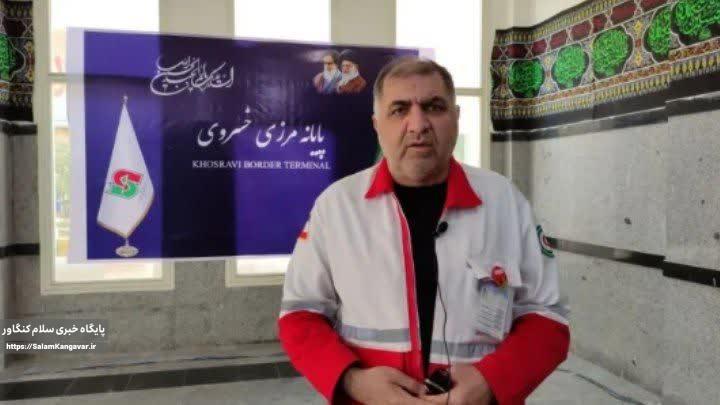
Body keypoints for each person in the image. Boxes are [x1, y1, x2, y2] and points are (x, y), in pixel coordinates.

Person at [279, 56, 570, 405]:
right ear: (377, 125)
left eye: (434, 107)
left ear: (456, 118)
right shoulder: (337, 207)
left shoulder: (505, 202)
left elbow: (548, 318)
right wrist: (354, 382)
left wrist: (491, 381)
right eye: (399, 109)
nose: (417, 125)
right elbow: (300, 316)